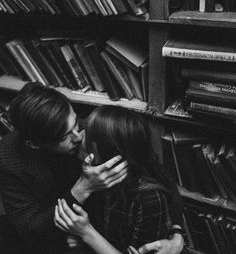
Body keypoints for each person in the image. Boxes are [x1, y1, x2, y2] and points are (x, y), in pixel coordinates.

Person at [0, 82, 183, 254]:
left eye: (76, 123)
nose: (79, 137)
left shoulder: (82, 127)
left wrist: (177, 233)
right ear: (35, 145)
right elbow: (31, 229)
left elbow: (157, 177)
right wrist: (83, 187)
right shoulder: (9, 160)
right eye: (65, 137)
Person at [55, 105, 185, 254]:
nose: (79, 137)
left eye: (88, 135)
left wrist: (86, 233)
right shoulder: (85, 165)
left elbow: (167, 185)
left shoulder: (147, 199)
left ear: (104, 151)